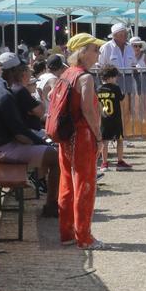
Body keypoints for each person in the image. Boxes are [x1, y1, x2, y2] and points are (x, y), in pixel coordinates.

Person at [0, 52, 59, 218]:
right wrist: (44, 144)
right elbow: (20, 134)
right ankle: (51, 206)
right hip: (3, 149)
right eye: (20, 69)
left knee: (48, 148)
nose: (22, 72)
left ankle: (42, 186)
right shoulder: (4, 95)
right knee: (56, 158)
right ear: (14, 71)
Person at [57, 33, 107, 250]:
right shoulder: (85, 77)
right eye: (95, 49)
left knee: (67, 184)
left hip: (66, 136)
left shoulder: (67, 73)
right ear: (83, 51)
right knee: (85, 186)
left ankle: (67, 232)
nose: (98, 53)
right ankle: (84, 237)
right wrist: (99, 137)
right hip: (83, 136)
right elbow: (88, 110)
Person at [97, 64, 132, 171]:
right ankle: (120, 161)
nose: (116, 79)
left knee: (104, 141)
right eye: (115, 77)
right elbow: (121, 98)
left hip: (103, 119)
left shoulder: (98, 89)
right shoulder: (116, 88)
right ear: (111, 77)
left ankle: (104, 163)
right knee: (119, 140)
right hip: (115, 118)